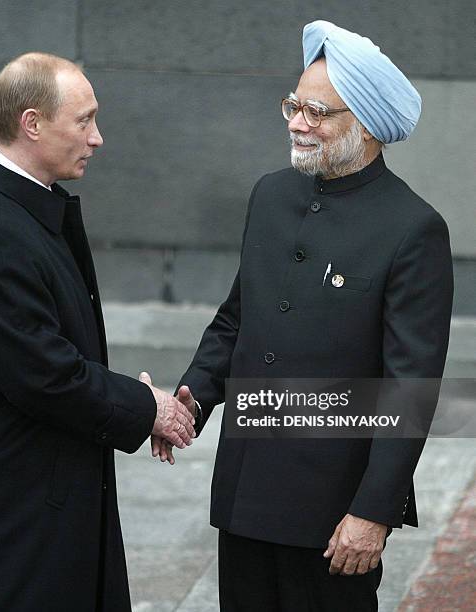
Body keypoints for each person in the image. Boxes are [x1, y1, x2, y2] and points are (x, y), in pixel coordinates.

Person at [154, 21, 454, 611]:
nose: (296, 122)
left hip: (333, 513)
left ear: (365, 125)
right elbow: (237, 319)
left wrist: (373, 511)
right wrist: (192, 396)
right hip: (246, 490)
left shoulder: (413, 229)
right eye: (294, 105)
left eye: (318, 112)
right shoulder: (270, 194)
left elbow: (409, 389)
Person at [0, 52, 195, 611]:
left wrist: (131, 398)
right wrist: (147, 406)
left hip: (34, 503)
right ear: (33, 124)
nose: (98, 138)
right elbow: (43, 374)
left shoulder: (21, 209)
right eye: (84, 120)